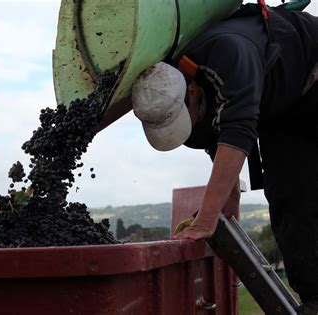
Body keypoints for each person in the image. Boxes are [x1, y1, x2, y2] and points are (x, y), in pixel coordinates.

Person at [131, 5, 318, 314]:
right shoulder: (179, 101)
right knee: (287, 194)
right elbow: (220, 144)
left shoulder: (229, 53)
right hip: (280, 103)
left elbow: (238, 135)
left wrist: (206, 218)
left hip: (310, 71)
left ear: (191, 91)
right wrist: (225, 209)